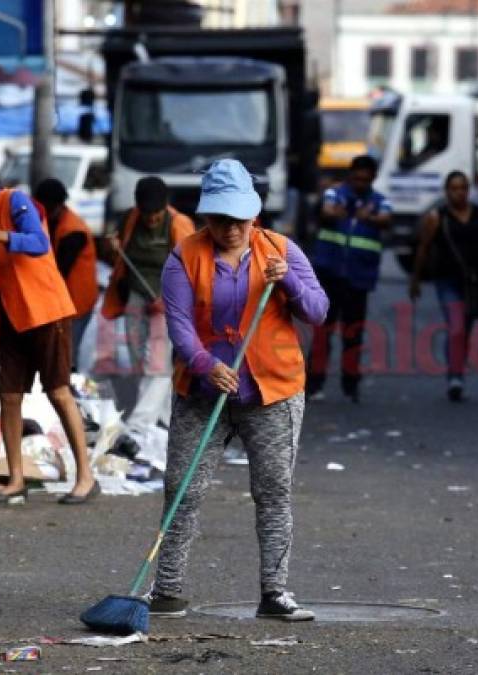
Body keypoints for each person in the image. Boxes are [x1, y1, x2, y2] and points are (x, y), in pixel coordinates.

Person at [149, 159, 328, 621]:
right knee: (182, 489)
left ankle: (275, 592)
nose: (230, 228)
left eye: (238, 219)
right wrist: (206, 365)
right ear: (206, 217)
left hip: (273, 391)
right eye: (220, 219)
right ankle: (166, 591)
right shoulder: (183, 257)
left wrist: (284, 278)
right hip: (202, 391)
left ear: (254, 214)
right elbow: (181, 327)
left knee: (273, 491)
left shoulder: (282, 250)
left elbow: (318, 311)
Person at [0, 156, 98, 503]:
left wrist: (1, 235)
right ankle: (15, 479)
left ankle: (86, 477)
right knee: (9, 397)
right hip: (9, 315)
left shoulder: (13, 202)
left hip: (45, 311)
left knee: (58, 391)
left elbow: (39, 243)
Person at [101, 176, 195, 433]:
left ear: (165, 206)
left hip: (167, 300)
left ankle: (140, 423)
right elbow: (115, 257)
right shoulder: (130, 219)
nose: (151, 219)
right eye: (146, 214)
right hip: (135, 294)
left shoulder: (179, 224)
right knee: (137, 359)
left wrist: (167, 299)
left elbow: (191, 270)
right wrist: (112, 247)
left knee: (157, 360)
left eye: (156, 214)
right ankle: (165, 419)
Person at [409, 171, 478, 401]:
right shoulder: (436, 217)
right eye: (454, 188)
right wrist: (415, 280)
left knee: (465, 328)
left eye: (463, 188)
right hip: (447, 280)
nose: (459, 193)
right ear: (446, 191)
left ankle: (457, 364)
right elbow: (423, 248)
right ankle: (455, 376)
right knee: (456, 327)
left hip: (476, 281)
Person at [307, 154, 392, 403]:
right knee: (324, 332)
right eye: (356, 178)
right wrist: (345, 213)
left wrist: (369, 218)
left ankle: (351, 385)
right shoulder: (336, 194)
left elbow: (386, 219)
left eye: (365, 179)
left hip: (358, 278)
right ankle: (314, 383)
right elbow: (327, 211)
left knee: (353, 334)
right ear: (349, 176)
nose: (360, 183)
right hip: (330, 275)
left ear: (373, 178)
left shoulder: (380, 201)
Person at [33, 178, 98, 369]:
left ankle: (68, 391)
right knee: (59, 351)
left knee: (66, 354)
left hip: (75, 302)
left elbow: (59, 270)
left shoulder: (73, 231)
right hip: (64, 301)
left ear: (56, 205)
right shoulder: (55, 222)